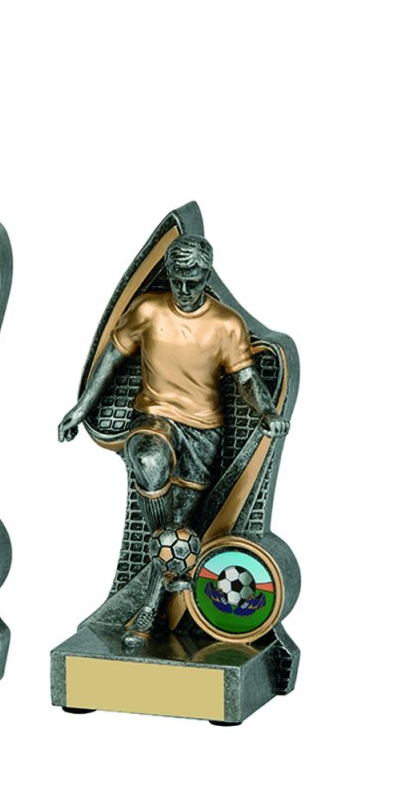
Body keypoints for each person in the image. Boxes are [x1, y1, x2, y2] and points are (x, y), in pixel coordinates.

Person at [58, 234, 288, 646]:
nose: (184, 288)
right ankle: (153, 598)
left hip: (204, 433)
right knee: (148, 460)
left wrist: (267, 411)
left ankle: (152, 601)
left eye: (193, 280)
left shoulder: (226, 324)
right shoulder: (148, 310)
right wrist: (81, 407)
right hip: (154, 420)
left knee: (177, 529)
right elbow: (112, 356)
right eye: (177, 279)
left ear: (206, 275)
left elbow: (246, 378)